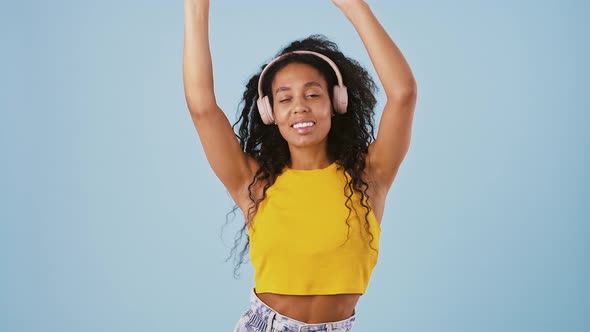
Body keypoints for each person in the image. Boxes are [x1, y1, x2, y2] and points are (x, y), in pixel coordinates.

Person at [183, 0, 417, 331]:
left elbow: (403, 93)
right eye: (284, 99)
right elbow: (202, 107)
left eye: (312, 95)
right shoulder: (254, 183)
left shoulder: (369, 177)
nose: (299, 108)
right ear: (270, 114)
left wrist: (354, 7)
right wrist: (196, 7)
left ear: (337, 102)